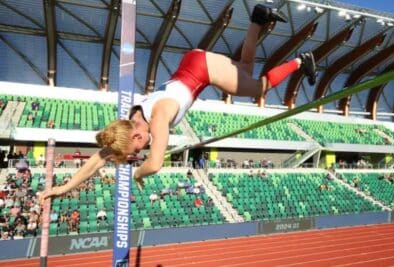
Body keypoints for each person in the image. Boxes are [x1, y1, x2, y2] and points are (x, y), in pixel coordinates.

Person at [39, 4, 316, 203]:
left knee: (259, 88)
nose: (144, 147)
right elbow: (98, 160)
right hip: (193, 63)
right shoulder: (131, 120)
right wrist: (62, 188)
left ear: (137, 134)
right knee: (245, 66)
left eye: (140, 146)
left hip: (201, 72)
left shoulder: (157, 118)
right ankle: (258, 19)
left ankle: (301, 61)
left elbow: (155, 164)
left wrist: (136, 173)